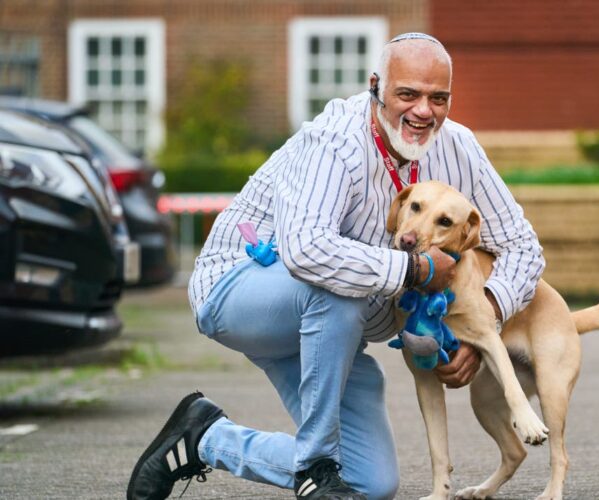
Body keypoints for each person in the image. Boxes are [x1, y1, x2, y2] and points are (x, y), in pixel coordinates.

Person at [127, 32, 545, 500]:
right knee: (334, 290)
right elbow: (307, 251)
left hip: (330, 332)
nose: (424, 111)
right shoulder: (336, 141)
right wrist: (414, 271)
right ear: (375, 87)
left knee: (371, 481)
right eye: (407, 94)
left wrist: (487, 312)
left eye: (438, 98)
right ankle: (315, 467)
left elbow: (524, 248)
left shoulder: (459, 148)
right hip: (240, 287)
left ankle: (204, 437)